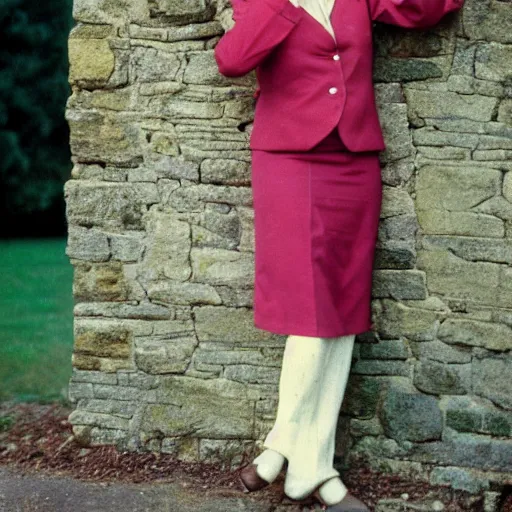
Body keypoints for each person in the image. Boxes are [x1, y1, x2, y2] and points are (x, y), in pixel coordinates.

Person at [213, 0, 464, 509]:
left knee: (344, 312)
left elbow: (431, 8)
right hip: (290, 161)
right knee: (309, 312)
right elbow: (232, 59)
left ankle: (302, 463)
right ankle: (298, 456)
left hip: (353, 163)